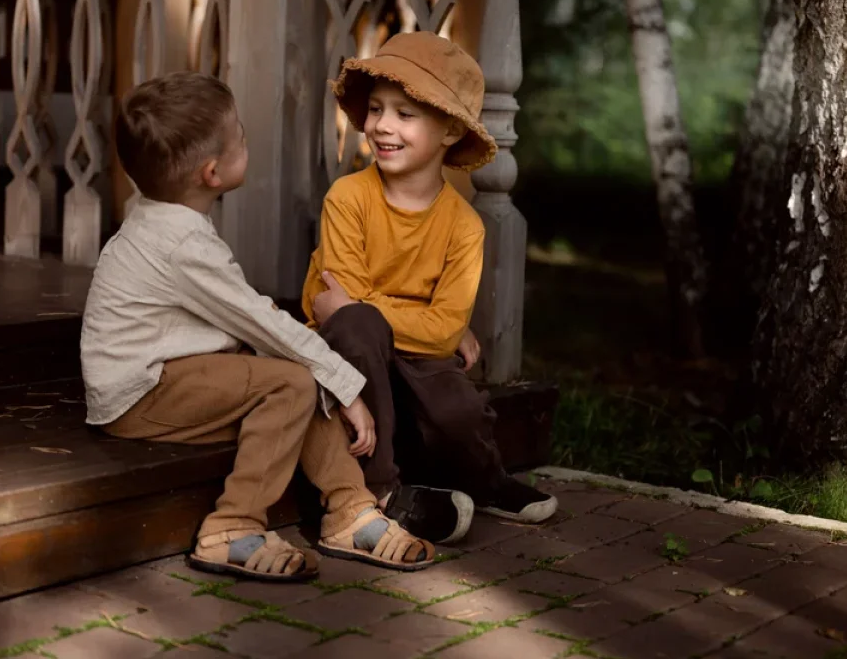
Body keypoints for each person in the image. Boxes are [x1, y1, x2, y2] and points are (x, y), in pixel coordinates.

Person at [81, 71, 435, 582]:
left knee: (294, 374)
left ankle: (350, 511)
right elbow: (260, 320)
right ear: (211, 173)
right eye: (240, 136)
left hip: (169, 376)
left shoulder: (166, 218)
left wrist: (320, 372)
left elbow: (255, 327)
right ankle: (231, 527)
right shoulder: (180, 245)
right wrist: (345, 384)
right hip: (141, 392)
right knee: (294, 377)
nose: (247, 139)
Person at [302, 32, 557, 545]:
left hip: (421, 359)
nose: (382, 126)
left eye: (405, 114)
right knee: (357, 324)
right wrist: (417, 317)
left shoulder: (464, 226)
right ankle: (381, 492)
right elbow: (343, 311)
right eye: (375, 109)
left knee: (456, 409)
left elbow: (441, 335)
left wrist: (428, 320)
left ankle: (484, 481)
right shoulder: (348, 197)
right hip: (352, 355)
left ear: (448, 131)